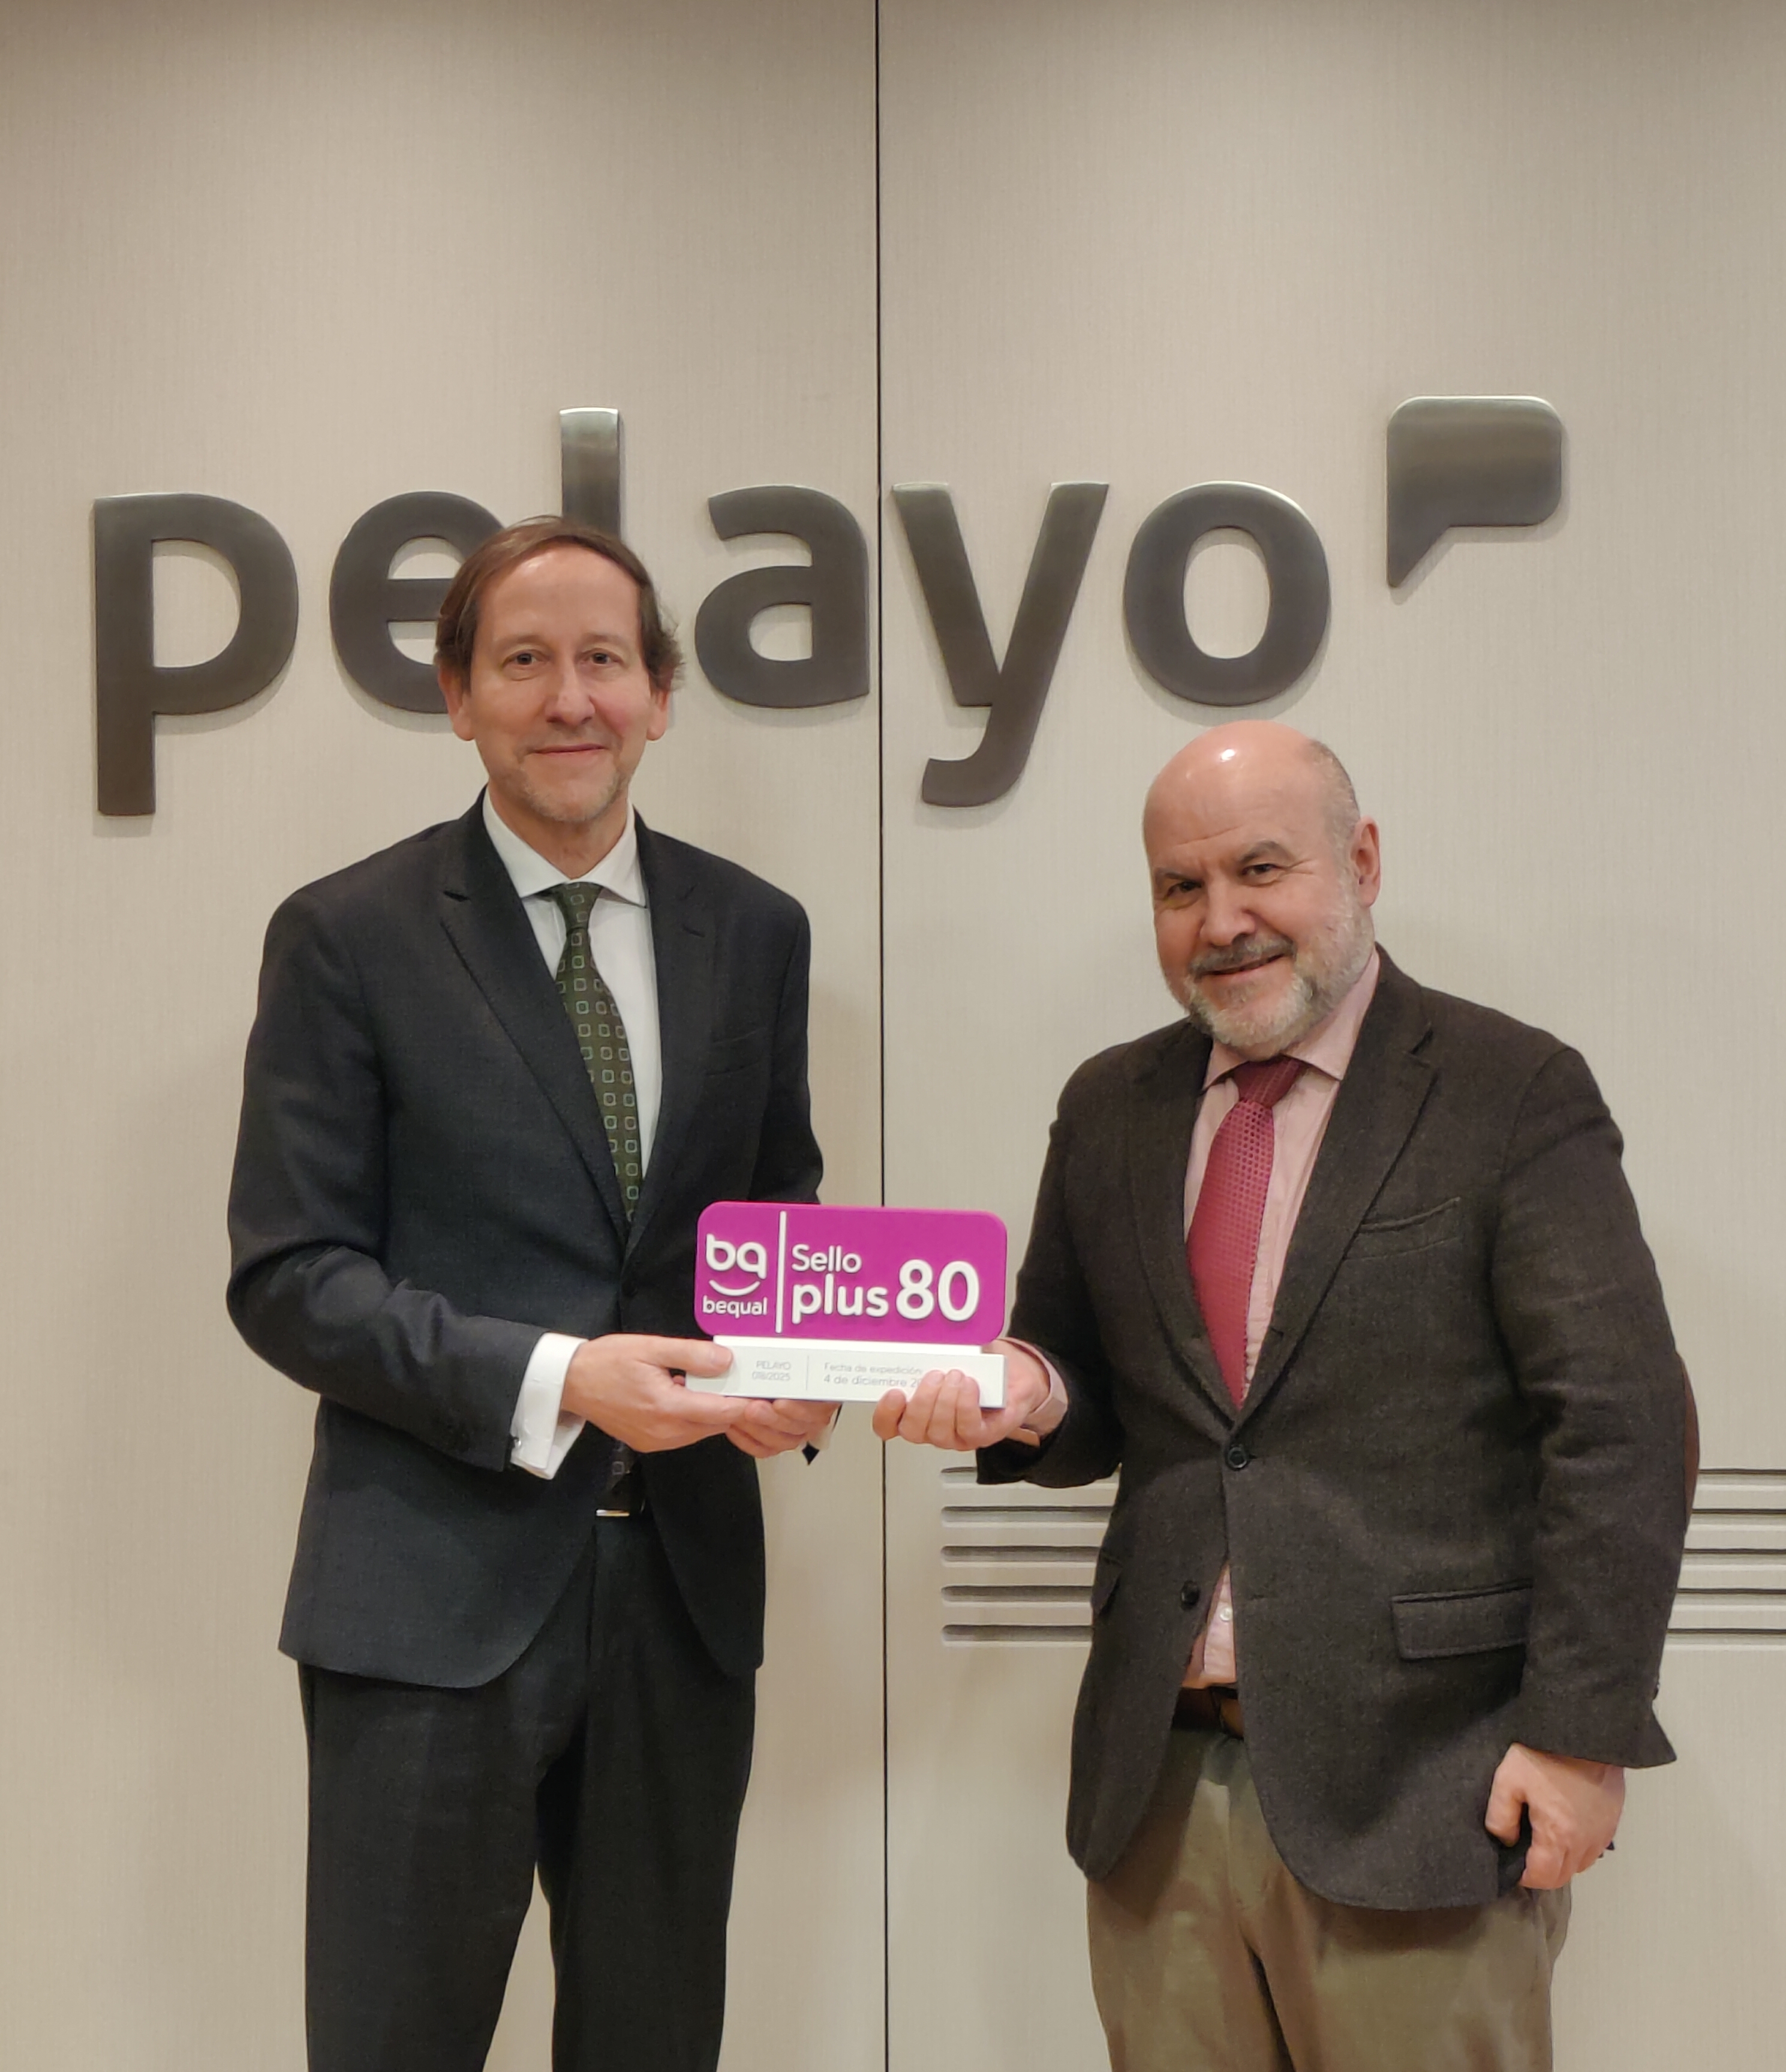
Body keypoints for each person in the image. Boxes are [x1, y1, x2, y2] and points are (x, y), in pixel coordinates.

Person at [875, 720, 1692, 2072]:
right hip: (1156, 1790)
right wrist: (1019, 1392)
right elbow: (1087, 1383)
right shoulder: (1110, 1105)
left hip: (1425, 1792)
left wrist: (1577, 1738)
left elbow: (1618, 1427)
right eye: (1179, 886)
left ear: (1359, 862)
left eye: (1261, 869)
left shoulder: (1507, 1089)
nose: (1222, 920)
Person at [227, 516, 833, 2072]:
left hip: (683, 1598)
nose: (571, 697)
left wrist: (806, 1368)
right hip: (428, 1601)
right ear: (457, 696)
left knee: (655, 2041)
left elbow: (776, 1213)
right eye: (523, 660)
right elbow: (291, 1275)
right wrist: (563, 1374)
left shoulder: (754, 931)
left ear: (660, 695)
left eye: (605, 659)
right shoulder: (347, 934)